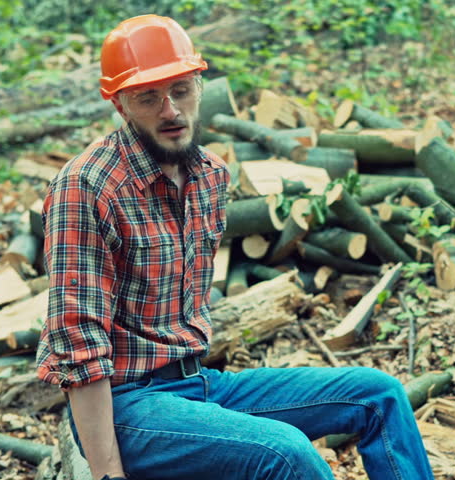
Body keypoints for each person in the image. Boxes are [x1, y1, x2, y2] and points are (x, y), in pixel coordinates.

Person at [35, 14, 434, 480]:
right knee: (286, 453)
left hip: (199, 384)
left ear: (199, 88)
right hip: (128, 406)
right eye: (149, 98)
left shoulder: (209, 176)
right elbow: (76, 345)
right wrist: (108, 474)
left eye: (181, 91)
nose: (171, 110)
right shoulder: (86, 188)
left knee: (379, 396)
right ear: (121, 105)